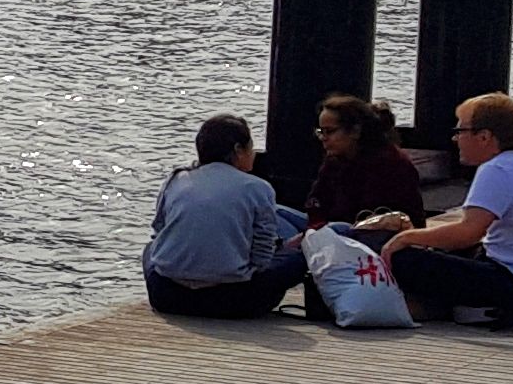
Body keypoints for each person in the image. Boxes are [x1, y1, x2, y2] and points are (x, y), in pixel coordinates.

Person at [367, 91, 513, 324]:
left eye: (460, 131)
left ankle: (427, 305)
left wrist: (406, 237)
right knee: (441, 254)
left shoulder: (498, 169)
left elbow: (468, 233)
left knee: (404, 259)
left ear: (484, 137)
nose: (455, 139)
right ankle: (436, 303)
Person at [145, 113, 304, 317]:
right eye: (250, 146)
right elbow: (262, 256)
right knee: (297, 259)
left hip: (168, 297)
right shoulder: (258, 187)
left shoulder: (175, 179)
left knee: (151, 249)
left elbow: (159, 229)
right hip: (234, 300)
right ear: (238, 149)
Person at [304, 95, 422, 226]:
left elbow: (367, 217)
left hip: (372, 234)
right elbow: (317, 199)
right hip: (333, 228)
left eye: (330, 131)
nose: (323, 138)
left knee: (336, 227)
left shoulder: (389, 164)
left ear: (355, 131)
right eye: (320, 131)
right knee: (279, 212)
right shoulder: (335, 160)